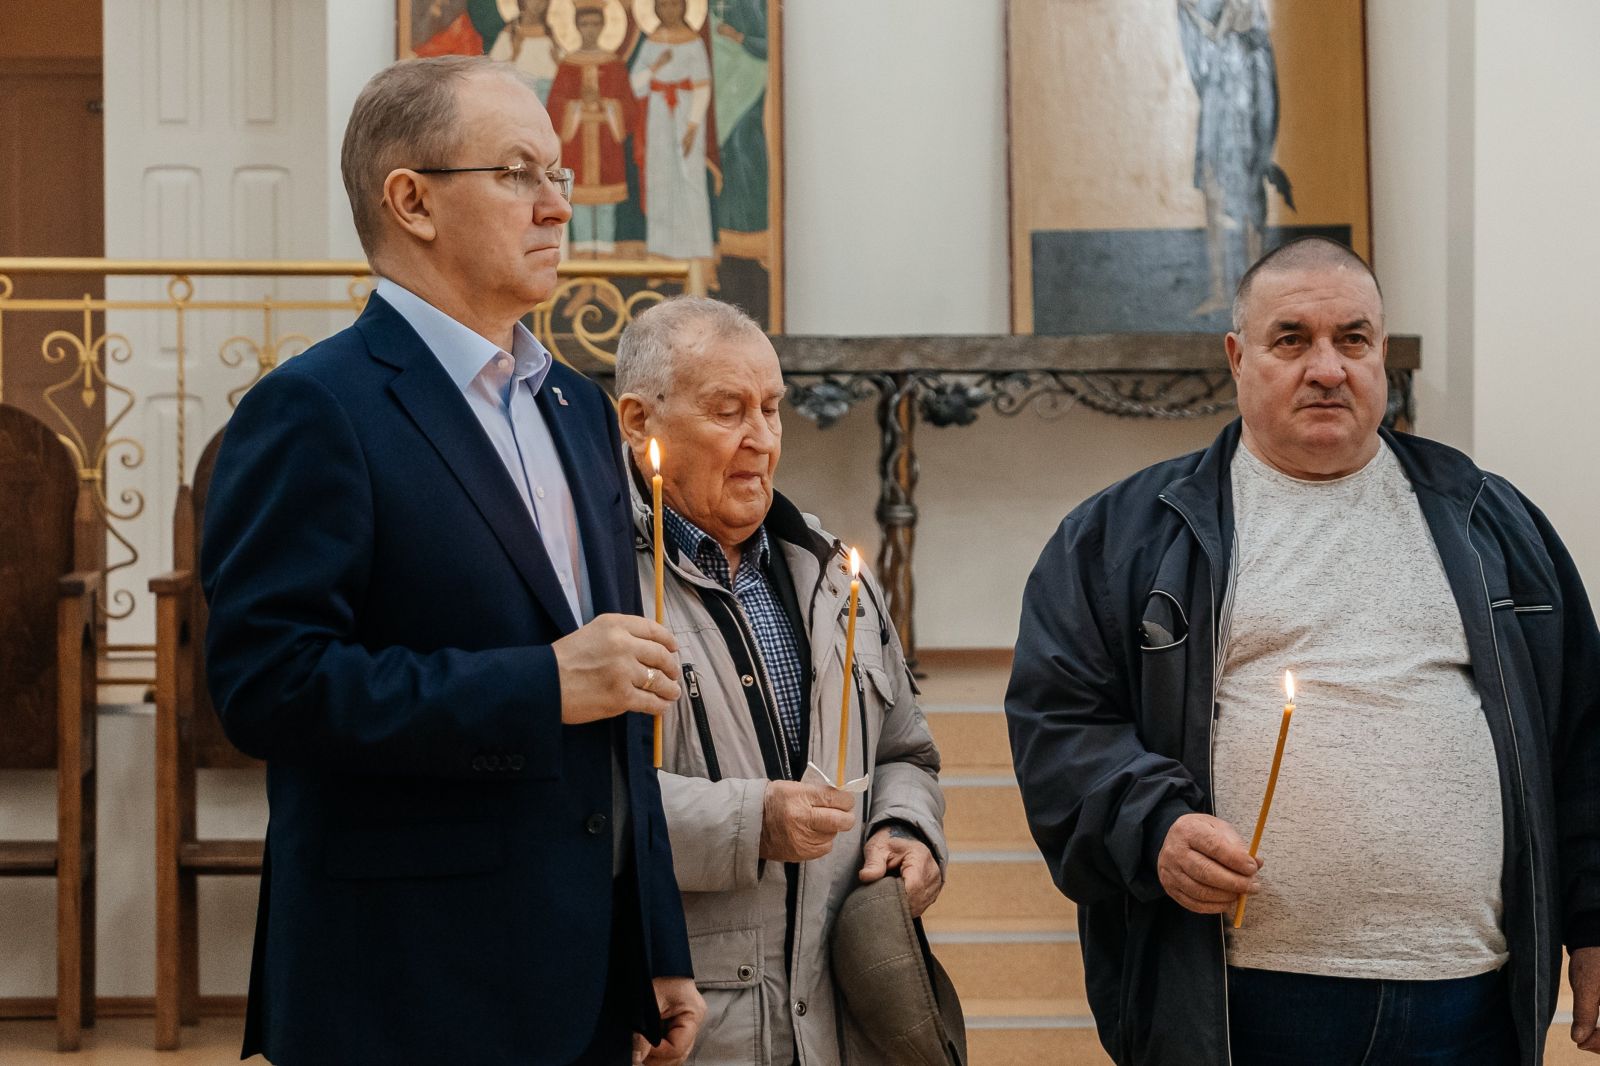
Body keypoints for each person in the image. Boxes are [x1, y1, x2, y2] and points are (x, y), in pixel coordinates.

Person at [201, 56, 703, 1065]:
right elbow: (268, 687)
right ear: (412, 201)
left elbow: (621, 708)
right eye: (518, 173)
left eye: (558, 173)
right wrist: (539, 684)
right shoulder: (315, 409)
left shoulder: (578, 408)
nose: (558, 205)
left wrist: (653, 942)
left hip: (583, 978)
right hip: (404, 981)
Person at [1006, 237, 1600, 1066]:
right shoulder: (1122, 537)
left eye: (1353, 339)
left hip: (1467, 999)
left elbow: (1582, 742)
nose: (1327, 368)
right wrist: (1156, 826)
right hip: (1242, 999)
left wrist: (1593, 924)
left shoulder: (1490, 521)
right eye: (1291, 340)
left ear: (1380, 354)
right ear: (1237, 358)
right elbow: (1061, 724)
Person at [613, 296, 948, 1064]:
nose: (761, 440)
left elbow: (905, 752)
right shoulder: (592, 579)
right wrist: (749, 821)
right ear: (638, 421)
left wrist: (905, 829)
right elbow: (577, 804)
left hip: (838, 1020)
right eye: (728, 410)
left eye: (771, 409)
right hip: (694, 1025)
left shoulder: (831, 573)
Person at [545, 0, 635, 258]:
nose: (590, 29)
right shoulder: (567, 65)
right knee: (580, 207)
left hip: (607, 145)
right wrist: (577, 105)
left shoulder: (614, 64)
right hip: (577, 145)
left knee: (606, 208)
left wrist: (606, 104)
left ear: (604, 26)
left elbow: (629, 107)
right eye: (585, 24)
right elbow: (554, 106)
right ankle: (584, 261)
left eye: (595, 24)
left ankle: (606, 260)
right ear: (576, 26)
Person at [630, 0, 715, 267]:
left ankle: (697, 253)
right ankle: (660, 252)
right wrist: (655, 67)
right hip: (657, 115)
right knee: (660, 178)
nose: (669, 11)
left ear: (684, 7)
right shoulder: (651, 42)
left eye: (674, 4)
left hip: (686, 113)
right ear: (656, 9)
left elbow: (702, 87)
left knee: (690, 178)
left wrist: (692, 127)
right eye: (663, 5)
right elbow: (634, 85)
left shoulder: (693, 42)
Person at [489, 0, 561, 103]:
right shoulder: (510, 32)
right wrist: (515, 54)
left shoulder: (553, 34)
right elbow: (492, 73)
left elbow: (561, 74)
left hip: (546, 97)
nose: (539, 3)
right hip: (516, 96)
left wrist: (557, 60)